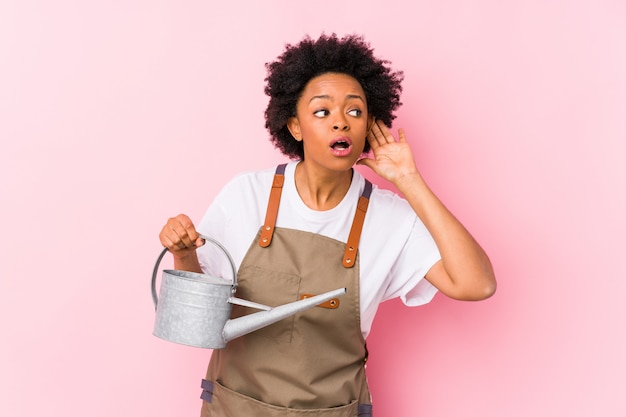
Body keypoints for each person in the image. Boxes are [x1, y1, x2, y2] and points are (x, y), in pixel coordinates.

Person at [159, 33, 496, 417]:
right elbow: (198, 321)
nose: (341, 122)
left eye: (354, 112)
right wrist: (183, 255)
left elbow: (477, 284)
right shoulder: (246, 194)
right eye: (322, 112)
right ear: (295, 126)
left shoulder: (390, 217)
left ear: (369, 123)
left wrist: (409, 180)